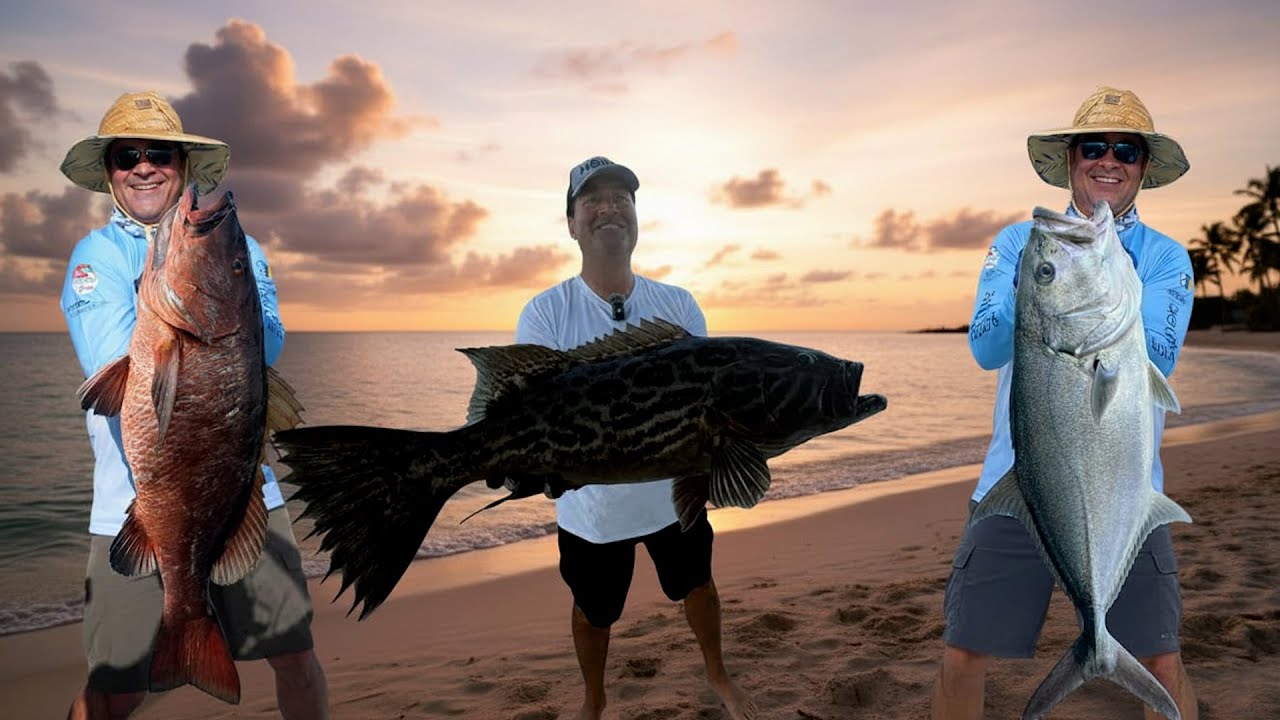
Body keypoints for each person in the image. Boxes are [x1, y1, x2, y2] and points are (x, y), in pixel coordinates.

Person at [58, 91, 328, 719]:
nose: (144, 166)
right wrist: (182, 306)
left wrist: (203, 294)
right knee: (113, 689)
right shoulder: (93, 259)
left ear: (182, 166)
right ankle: (185, 628)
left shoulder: (239, 247)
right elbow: (107, 366)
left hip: (243, 495)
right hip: (134, 505)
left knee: (294, 652)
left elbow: (271, 339)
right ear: (110, 172)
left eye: (160, 153)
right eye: (128, 155)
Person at [931, 87, 1197, 720]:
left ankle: (1103, 649)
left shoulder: (1164, 259)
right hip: (1017, 481)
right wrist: (1037, 279)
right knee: (963, 653)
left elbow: (1156, 361)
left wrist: (1101, 272)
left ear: (1143, 167)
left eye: (1126, 150)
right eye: (1094, 147)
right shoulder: (1021, 242)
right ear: (1072, 158)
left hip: (1131, 494)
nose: (1109, 161)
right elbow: (986, 348)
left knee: (1161, 659)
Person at [514, 156, 757, 720]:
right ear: (571, 223)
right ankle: (593, 698)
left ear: (636, 216)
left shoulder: (679, 305)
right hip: (590, 511)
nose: (609, 207)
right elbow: (535, 413)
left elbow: (708, 406)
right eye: (591, 199)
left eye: (621, 196)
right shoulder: (545, 314)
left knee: (698, 584)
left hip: (676, 500)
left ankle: (717, 671)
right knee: (594, 611)